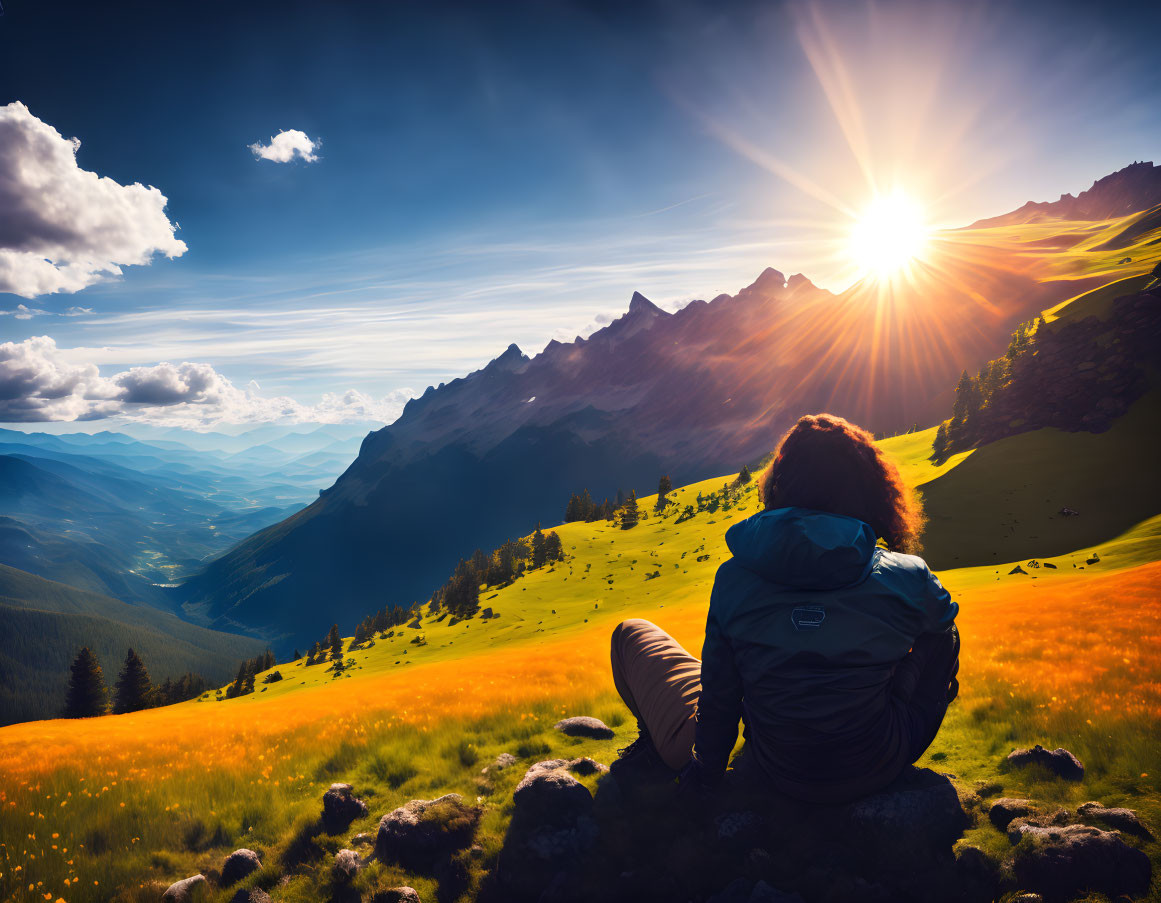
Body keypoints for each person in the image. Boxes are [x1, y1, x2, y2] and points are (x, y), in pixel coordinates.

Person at [609, 413, 959, 803]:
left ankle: (652, 749)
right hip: (879, 763)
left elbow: (719, 696)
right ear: (871, 490)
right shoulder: (907, 576)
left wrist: (707, 773)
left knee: (630, 633)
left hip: (777, 769)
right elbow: (942, 626)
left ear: (777, 486)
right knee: (944, 631)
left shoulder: (733, 578)